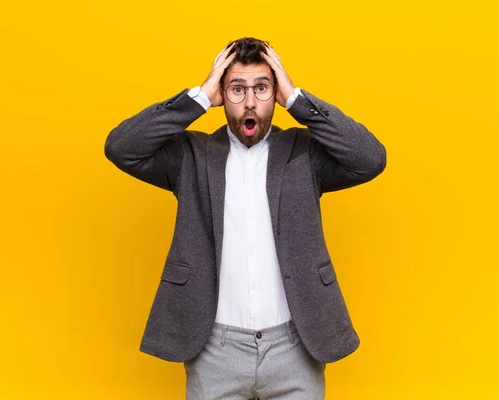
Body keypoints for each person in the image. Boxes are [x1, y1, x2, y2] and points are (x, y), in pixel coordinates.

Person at [104, 37, 387, 400]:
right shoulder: (192, 156)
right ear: (222, 94)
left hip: (295, 348)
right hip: (214, 351)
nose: (250, 101)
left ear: (275, 93)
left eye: (262, 88)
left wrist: (298, 99)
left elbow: (370, 158)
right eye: (237, 89)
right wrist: (199, 97)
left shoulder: (305, 155)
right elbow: (121, 147)